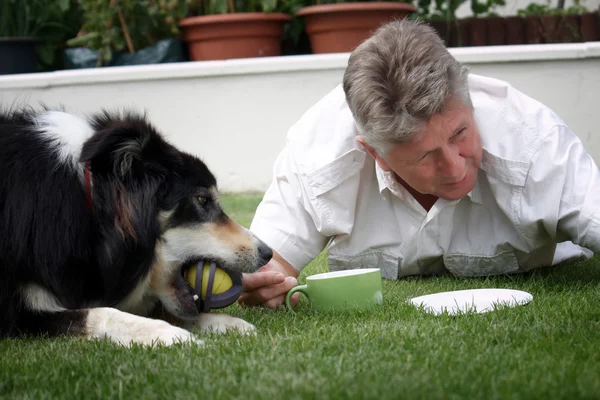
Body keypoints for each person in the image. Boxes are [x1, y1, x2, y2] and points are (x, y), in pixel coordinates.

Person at [238, 19, 600, 309]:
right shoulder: (317, 155)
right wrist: (263, 286)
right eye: (425, 155)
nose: (455, 167)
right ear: (374, 153)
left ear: (470, 99)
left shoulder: (533, 140)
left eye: (460, 133)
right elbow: (266, 268)